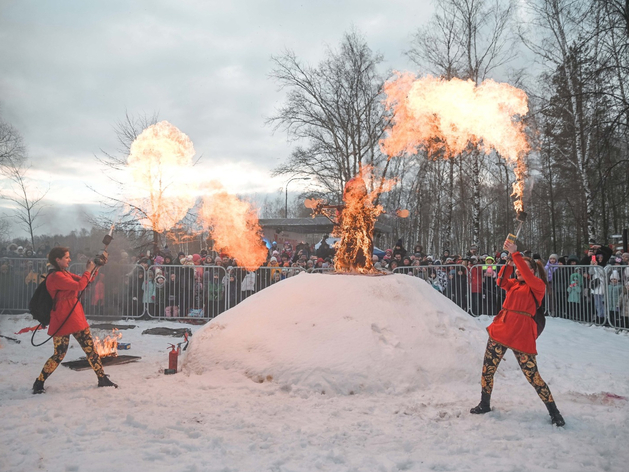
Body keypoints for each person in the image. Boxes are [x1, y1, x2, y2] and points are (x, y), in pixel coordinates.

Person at [470, 239, 564, 427]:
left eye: (524, 269)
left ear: (532, 271)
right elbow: (500, 281)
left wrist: (516, 254)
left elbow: (528, 276)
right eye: (518, 269)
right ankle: (484, 403)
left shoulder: (537, 285)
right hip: (501, 331)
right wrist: (508, 263)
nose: (520, 271)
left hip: (521, 336)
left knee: (533, 377)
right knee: (488, 370)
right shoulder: (514, 284)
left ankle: (554, 412)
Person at [32, 247, 117, 394]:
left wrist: (95, 267)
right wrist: (88, 269)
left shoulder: (64, 273)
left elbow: (86, 281)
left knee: (90, 349)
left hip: (74, 317)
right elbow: (79, 285)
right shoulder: (55, 277)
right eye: (66, 257)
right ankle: (39, 382)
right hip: (62, 319)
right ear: (57, 260)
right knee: (59, 354)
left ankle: (102, 378)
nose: (69, 259)